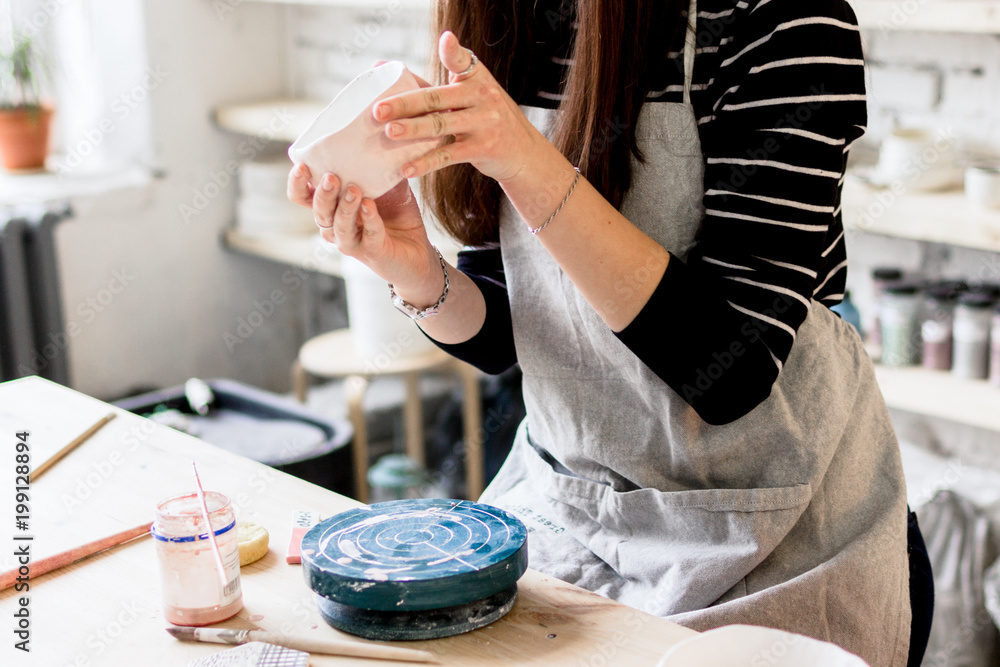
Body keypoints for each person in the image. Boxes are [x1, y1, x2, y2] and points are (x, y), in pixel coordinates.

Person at [287, 0, 933, 664]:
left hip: (772, 534)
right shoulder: (520, 15)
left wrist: (524, 159)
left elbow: (731, 365)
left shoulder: (785, 21)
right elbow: (512, 327)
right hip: (573, 509)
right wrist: (414, 271)